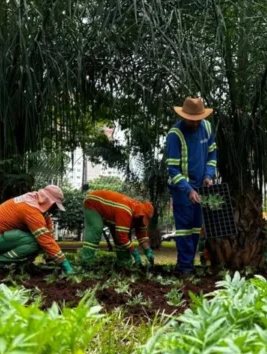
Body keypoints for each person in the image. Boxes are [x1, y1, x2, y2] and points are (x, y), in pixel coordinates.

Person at [166, 97, 217, 275]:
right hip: (181, 188)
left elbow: (212, 155)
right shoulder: (175, 134)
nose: (193, 123)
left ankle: (188, 264)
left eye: (197, 119)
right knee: (184, 228)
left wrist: (209, 176)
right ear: (184, 116)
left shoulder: (207, 128)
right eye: (190, 119)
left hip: (200, 185)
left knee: (196, 226)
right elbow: (172, 168)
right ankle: (185, 267)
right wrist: (188, 190)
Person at [0, 185, 73, 273]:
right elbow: (45, 240)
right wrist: (64, 264)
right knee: (35, 242)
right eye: (55, 205)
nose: (55, 209)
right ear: (48, 201)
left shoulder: (34, 203)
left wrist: (51, 256)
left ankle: (20, 265)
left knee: (39, 241)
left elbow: (49, 233)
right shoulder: (31, 210)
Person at [79, 190, 154, 268]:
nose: (143, 221)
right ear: (140, 214)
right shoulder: (125, 210)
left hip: (112, 214)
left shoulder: (140, 218)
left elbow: (142, 235)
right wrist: (134, 252)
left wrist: (148, 251)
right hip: (93, 203)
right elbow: (122, 237)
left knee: (122, 241)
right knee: (96, 230)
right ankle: (87, 263)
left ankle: (124, 265)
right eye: (143, 218)